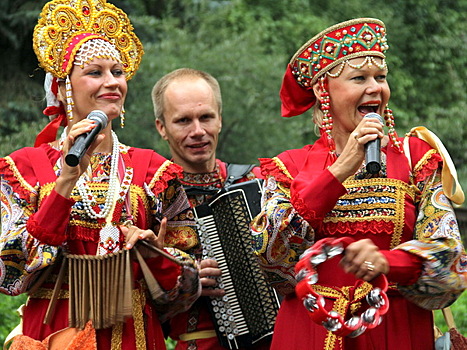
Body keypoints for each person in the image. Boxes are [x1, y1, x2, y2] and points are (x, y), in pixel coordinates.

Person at [251, 18, 466, 350]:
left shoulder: (415, 159)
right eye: (359, 78)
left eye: (381, 78)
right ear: (324, 90)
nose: (375, 88)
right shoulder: (288, 167)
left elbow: (452, 265)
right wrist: (340, 169)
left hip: (395, 331)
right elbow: (270, 259)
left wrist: (388, 263)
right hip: (309, 333)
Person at [0, 0, 201, 349]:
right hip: (56, 331)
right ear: (65, 87)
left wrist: (156, 255)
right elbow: (10, 273)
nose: (112, 83)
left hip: (134, 333)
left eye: (118, 72)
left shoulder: (153, 170)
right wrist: (64, 182)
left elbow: (186, 289)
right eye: (95, 72)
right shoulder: (24, 168)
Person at [152, 68, 274, 350]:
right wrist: (182, 281)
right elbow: (138, 299)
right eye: (183, 121)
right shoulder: (153, 198)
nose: (198, 131)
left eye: (206, 117)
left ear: (220, 119)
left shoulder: (255, 181)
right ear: (162, 127)